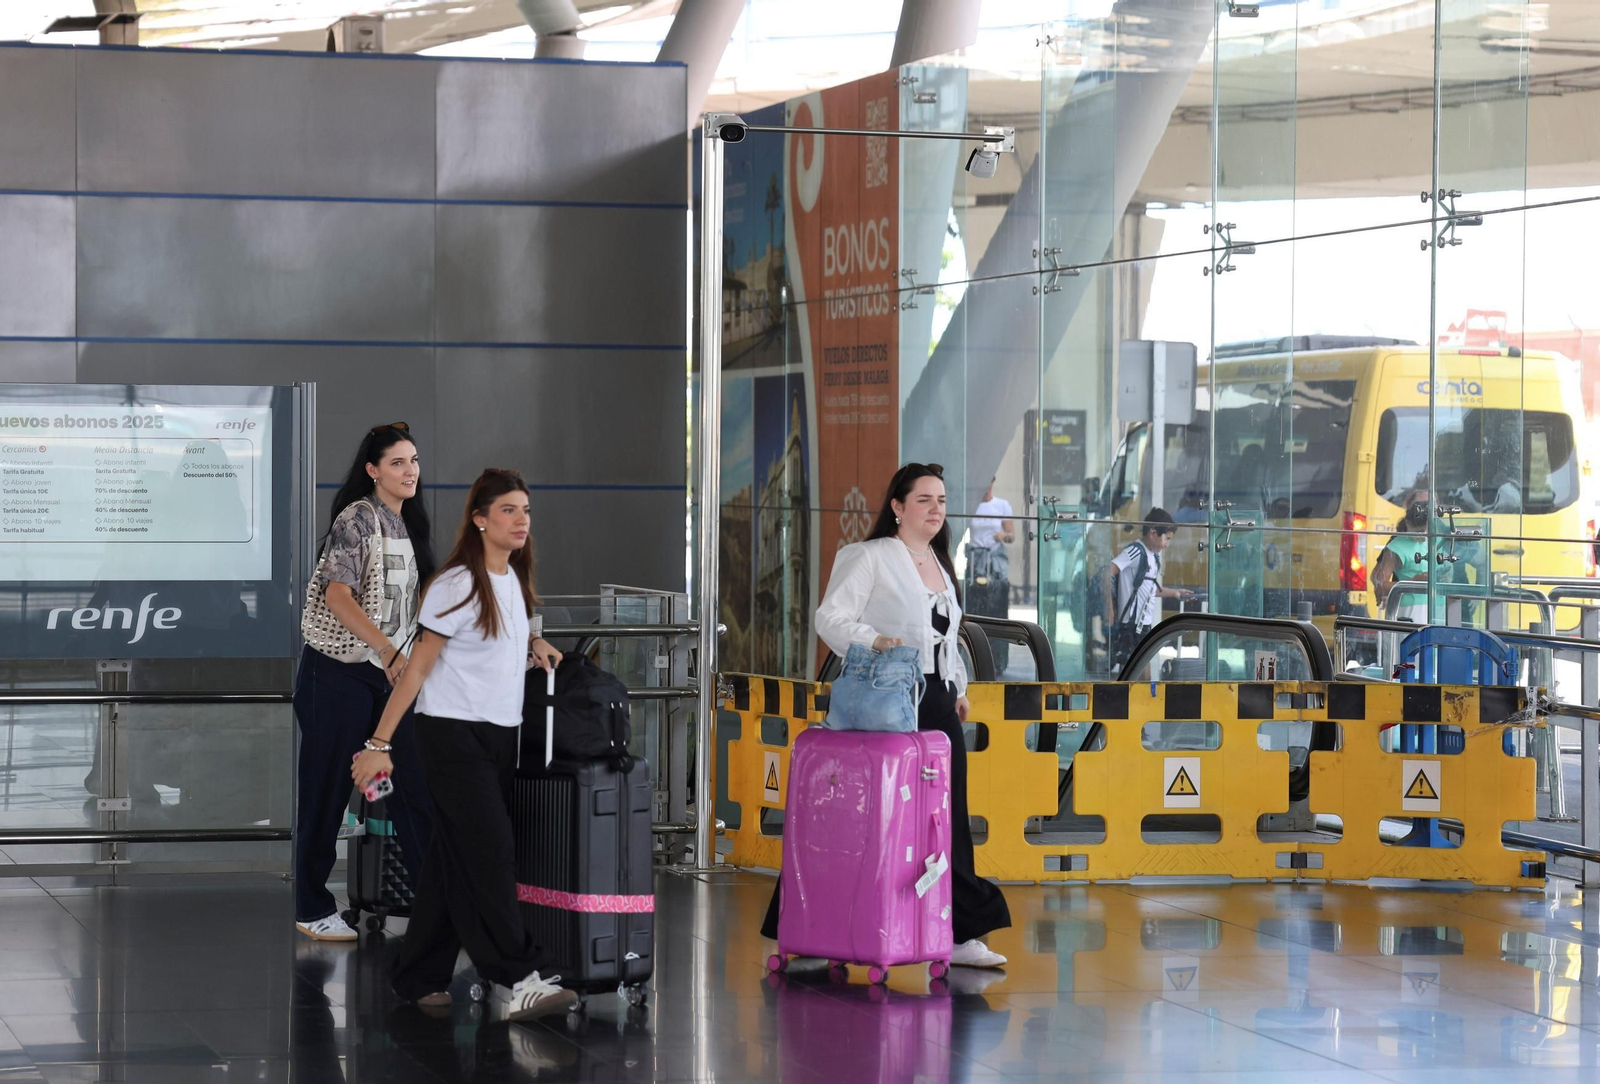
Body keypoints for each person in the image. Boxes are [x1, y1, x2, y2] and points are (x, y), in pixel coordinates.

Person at [761, 462, 1012, 968]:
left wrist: (957, 685)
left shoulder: (942, 565)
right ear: (897, 507)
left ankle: (959, 933)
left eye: (940, 500)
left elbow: (945, 638)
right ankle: (811, 925)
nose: (935, 509)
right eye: (924, 500)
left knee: (945, 816)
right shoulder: (871, 556)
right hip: (886, 694)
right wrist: (873, 641)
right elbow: (829, 618)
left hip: (935, 698)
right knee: (859, 811)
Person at [352, 468, 576, 1021]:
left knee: (452, 862)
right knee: (491, 854)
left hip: (500, 736)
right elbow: (416, 670)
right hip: (451, 737)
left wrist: (535, 640)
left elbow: (503, 636)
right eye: (507, 510)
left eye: (525, 510)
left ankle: (419, 975)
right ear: (479, 520)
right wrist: (379, 742)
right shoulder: (454, 584)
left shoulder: (513, 579)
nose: (520, 520)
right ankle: (516, 977)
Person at [293, 422, 436, 942]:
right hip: (338, 676)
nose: (410, 471)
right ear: (373, 470)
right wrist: (387, 648)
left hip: (388, 682)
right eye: (397, 462)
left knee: (406, 788)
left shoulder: (408, 526)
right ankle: (311, 906)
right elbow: (338, 597)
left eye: (414, 460)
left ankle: (434, 906)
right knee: (328, 792)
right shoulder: (358, 518)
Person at [1098, 508, 1191, 672]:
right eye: (1166, 539)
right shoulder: (1135, 551)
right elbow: (1107, 574)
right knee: (1134, 675)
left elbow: (1150, 590)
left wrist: (1175, 593)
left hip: (1144, 625)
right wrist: (1110, 609)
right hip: (1130, 625)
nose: (1167, 545)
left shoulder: (1153, 556)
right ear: (1153, 533)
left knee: (1142, 675)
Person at [966, 479, 1015, 618]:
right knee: (975, 597)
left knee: (997, 595)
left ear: (992, 484)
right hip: (976, 558)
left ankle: (997, 632)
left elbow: (1011, 535)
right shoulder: (971, 505)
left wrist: (1003, 535)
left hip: (995, 557)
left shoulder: (1001, 505)